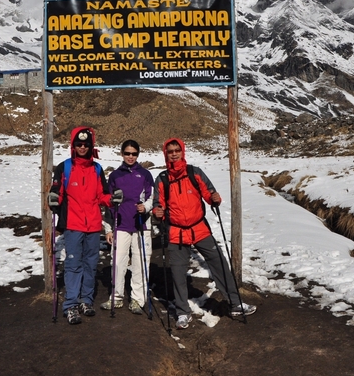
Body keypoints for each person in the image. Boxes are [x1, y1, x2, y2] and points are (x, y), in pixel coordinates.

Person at [152, 138, 256, 330]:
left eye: (177, 150)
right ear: (165, 154)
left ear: (182, 152)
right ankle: (183, 312)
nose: (174, 154)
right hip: (176, 232)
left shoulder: (194, 172)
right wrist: (157, 211)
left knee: (219, 263)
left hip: (199, 228)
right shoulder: (162, 179)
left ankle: (235, 303)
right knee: (177, 273)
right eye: (170, 151)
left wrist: (214, 198)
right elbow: (158, 203)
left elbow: (209, 192)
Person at [49, 126, 123, 325]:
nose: (83, 147)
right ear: (73, 146)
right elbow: (57, 191)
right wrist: (54, 198)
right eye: (79, 144)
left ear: (91, 146)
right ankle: (71, 305)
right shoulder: (64, 167)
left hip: (93, 225)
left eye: (86, 144)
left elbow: (101, 195)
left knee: (90, 265)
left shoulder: (97, 169)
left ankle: (86, 300)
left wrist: (112, 199)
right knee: (73, 265)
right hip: (73, 225)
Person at [102, 140, 155, 315]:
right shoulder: (115, 176)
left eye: (134, 153)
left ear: (138, 154)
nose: (130, 156)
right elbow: (109, 204)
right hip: (121, 224)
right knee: (117, 261)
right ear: (122, 154)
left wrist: (145, 208)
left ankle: (137, 299)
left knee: (141, 262)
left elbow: (151, 197)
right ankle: (116, 297)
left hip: (141, 225)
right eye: (127, 153)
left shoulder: (146, 174)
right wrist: (108, 228)